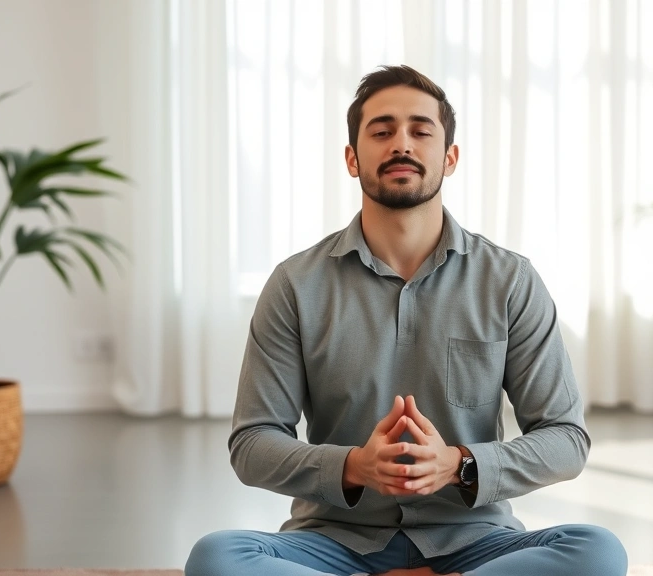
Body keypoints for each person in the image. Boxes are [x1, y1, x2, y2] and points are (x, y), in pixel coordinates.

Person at [185, 65, 627, 576]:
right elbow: (253, 443)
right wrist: (356, 466)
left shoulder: (509, 281)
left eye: (421, 131)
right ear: (352, 159)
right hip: (333, 543)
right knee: (218, 557)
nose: (402, 144)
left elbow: (566, 438)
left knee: (595, 550)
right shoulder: (295, 284)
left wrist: (459, 464)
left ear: (450, 157)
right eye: (382, 131)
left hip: (473, 541)